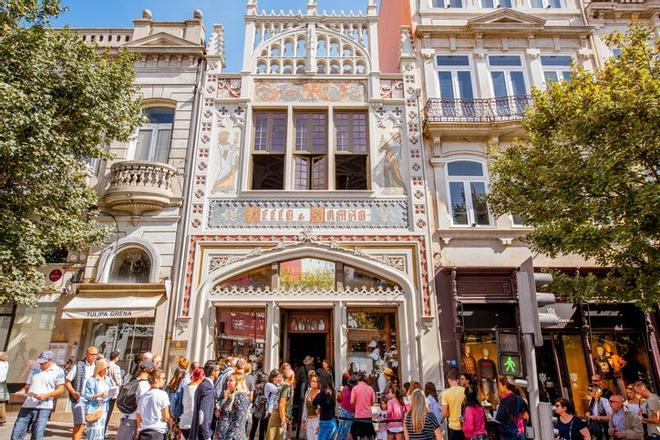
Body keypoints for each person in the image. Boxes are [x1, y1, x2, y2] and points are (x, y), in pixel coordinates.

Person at [10, 351, 65, 440]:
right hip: (27, 405)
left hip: (44, 407)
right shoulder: (35, 369)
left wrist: (46, 395)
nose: (41, 364)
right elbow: (27, 387)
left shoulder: (58, 371)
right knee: (17, 432)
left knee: (37, 435)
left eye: (44, 362)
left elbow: (60, 389)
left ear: (50, 360)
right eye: (40, 361)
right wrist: (19, 393)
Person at [65, 346, 99, 440]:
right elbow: (67, 381)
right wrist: (73, 393)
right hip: (80, 399)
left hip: (93, 400)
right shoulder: (78, 365)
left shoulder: (98, 366)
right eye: (91, 354)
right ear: (86, 354)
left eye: (95, 354)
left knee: (92, 425)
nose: (94, 357)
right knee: (80, 423)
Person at [116, 361, 154, 440]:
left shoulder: (132, 380)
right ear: (150, 370)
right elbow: (142, 407)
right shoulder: (144, 385)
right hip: (134, 421)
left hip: (125, 419)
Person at [137, 368, 173, 440]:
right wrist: (170, 421)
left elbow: (138, 417)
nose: (164, 380)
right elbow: (166, 416)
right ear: (156, 379)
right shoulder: (163, 394)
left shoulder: (143, 396)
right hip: (157, 432)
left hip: (144, 432)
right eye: (163, 378)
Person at [83, 359, 113, 440]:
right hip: (94, 408)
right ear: (99, 368)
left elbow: (110, 391)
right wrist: (97, 395)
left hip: (104, 408)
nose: (106, 370)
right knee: (93, 431)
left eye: (107, 368)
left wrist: (112, 393)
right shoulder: (91, 380)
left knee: (100, 431)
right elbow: (86, 395)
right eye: (105, 368)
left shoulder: (107, 379)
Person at [216, 372, 250, 440]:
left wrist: (230, 437)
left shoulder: (241, 396)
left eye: (231, 380)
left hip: (232, 436)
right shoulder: (231, 395)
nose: (227, 382)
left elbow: (239, 421)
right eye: (228, 380)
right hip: (224, 435)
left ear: (238, 382)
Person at [190, 361, 219, 440]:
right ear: (213, 372)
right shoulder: (207, 387)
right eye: (217, 370)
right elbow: (202, 413)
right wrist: (207, 436)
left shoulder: (203, 384)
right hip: (202, 433)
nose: (218, 372)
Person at [266, 367, 295, 440]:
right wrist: (283, 420)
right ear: (291, 377)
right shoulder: (285, 387)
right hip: (278, 416)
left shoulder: (282, 385)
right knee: (275, 437)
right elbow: (282, 404)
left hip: (276, 414)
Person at [350, 372, 377, 439]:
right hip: (368, 415)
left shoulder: (355, 388)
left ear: (358, 380)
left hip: (358, 415)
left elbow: (351, 402)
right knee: (369, 435)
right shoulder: (370, 388)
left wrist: (355, 406)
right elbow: (373, 402)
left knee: (361, 436)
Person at [180, 367, 204, 439]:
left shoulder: (187, 387)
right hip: (193, 423)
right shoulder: (198, 389)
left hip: (184, 422)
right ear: (201, 376)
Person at [441, 369, 465, 440]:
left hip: (452, 426)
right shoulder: (464, 391)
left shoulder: (445, 393)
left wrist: (442, 417)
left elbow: (444, 413)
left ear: (449, 380)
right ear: (457, 380)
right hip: (464, 424)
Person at [106, 351, 123, 433]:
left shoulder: (106, 365)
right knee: (108, 412)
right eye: (118, 357)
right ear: (116, 357)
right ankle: (104, 430)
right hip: (112, 392)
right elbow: (118, 381)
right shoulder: (115, 367)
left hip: (105, 390)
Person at [250, 370, 270, 440]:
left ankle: (251, 439)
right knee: (262, 427)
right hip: (263, 409)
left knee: (254, 426)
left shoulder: (255, 386)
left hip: (255, 408)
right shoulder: (267, 386)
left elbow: (253, 398)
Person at [301, 374, 321, 440]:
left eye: (315, 381)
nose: (312, 383)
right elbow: (305, 407)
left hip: (316, 420)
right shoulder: (308, 392)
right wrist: (303, 420)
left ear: (318, 383)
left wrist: (320, 423)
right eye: (312, 381)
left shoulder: (320, 393)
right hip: (308, 420)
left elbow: (321, 409)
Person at [337, 375, 356, 440]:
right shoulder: (353, 390)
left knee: (341, 428)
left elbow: (339, 398)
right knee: (346, 430)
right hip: (349, 411)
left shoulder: (345, 388)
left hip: (343, 409)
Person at [0, 351, 8, 425]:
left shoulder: (2, 364)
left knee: (1, 402)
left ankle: (2, 418)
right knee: (1, 402)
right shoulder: (6, 363)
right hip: (2, 383)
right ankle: (2, 418)